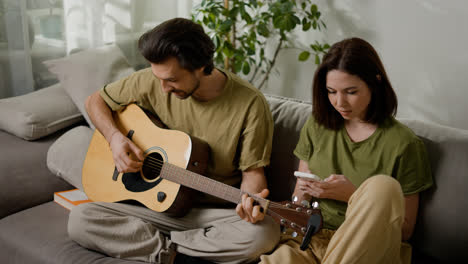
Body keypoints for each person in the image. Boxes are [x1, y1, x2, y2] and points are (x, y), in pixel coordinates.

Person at [68, 18, 280, 264]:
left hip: (210, 213)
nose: (163, 88)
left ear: (201, 66)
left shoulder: (251, 105)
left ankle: (159, 246)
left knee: (263, 234)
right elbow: (95, 101)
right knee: (81, 218)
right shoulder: (152, 81)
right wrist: (115, 138)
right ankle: (176, 254)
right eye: (158, 77)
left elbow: (253, 174)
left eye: (172, 80)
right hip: (151, 208)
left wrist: (250, 206)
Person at [259, 37, 433, 264]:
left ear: (375, 83)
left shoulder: (404, 144)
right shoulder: (317, 125)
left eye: (351, 92)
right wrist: (303, 193)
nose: (339, 102)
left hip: (366, 248)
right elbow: (298, 204)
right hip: (310, 241)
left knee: (383, 187)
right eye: (331, 91)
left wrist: (352, 195)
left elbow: (405, 231)